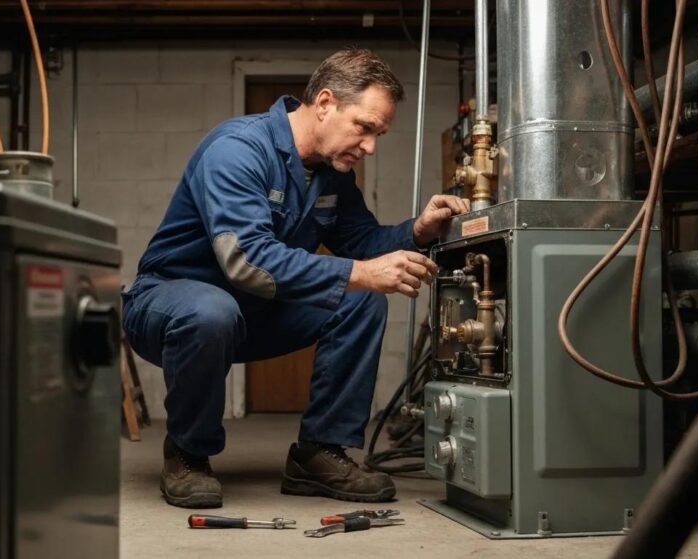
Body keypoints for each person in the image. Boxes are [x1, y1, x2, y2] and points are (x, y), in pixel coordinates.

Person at [121, 48, 470, 509]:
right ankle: (187, 454)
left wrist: (417, 231)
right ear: (324, 103)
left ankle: (317, 453)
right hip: (169, 307)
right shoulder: (238, 150)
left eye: (379, 134)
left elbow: (361, 242)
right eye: (365, 128)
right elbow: (247, 261)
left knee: (362, 300)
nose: (370, 147)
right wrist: (362, 273)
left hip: (249, 312)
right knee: (212, 310)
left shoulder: (331, 174)